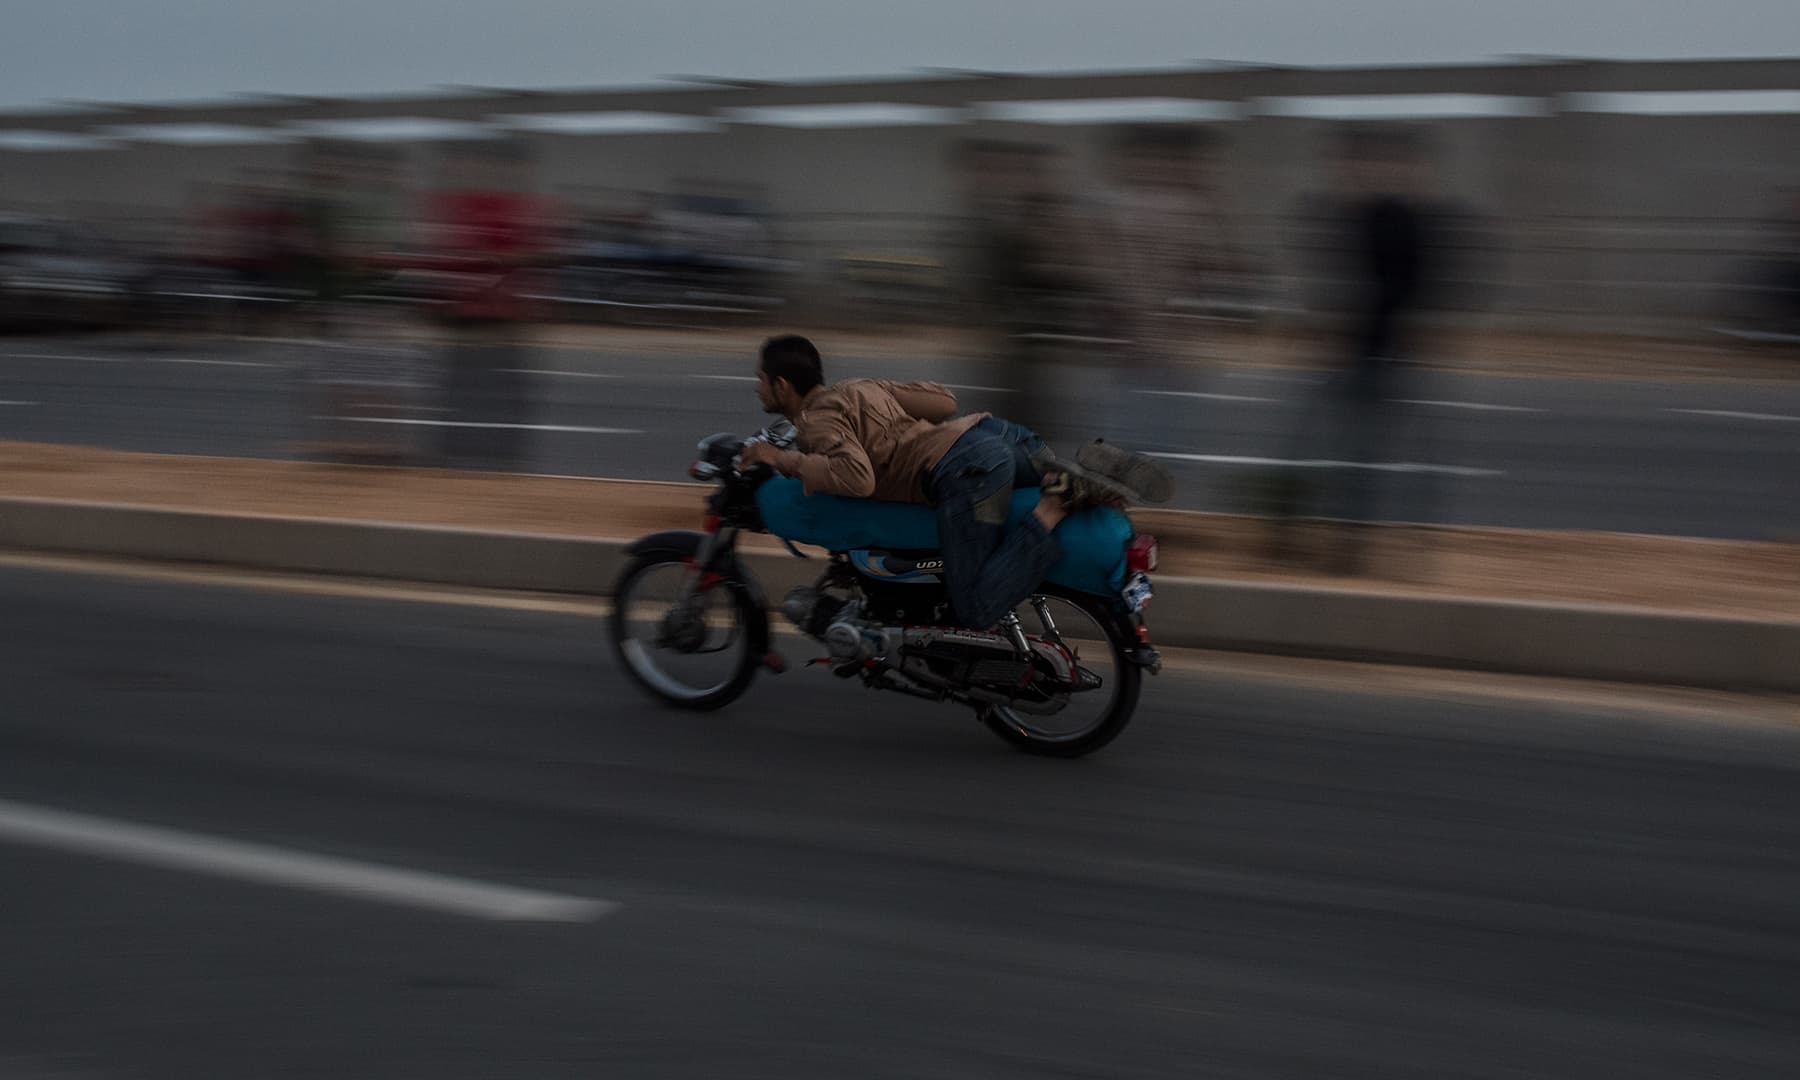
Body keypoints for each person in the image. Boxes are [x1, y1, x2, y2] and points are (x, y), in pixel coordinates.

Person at [739, 335, 1166, 631]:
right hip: (995, 435)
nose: (756, 388)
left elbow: (856, 477)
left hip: (970, 473)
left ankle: (1050, 509)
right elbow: (944, 401)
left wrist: (782, 458)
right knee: (1039, 469)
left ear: (782, 385)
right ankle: (1084, 474)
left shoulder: (816, 422)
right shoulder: (857, 388)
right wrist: (886, 396)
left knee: (975, 606)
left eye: (760, 380)